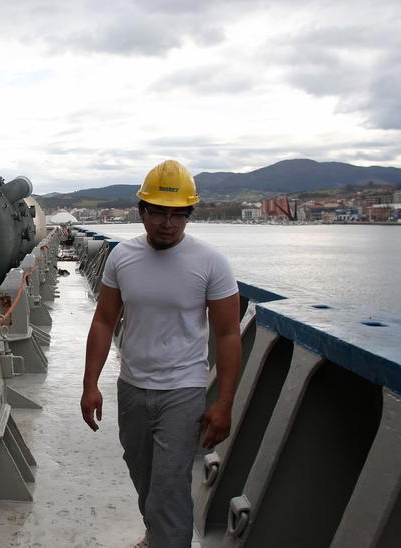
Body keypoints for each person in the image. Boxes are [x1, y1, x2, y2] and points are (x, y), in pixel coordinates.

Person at [80, 159, 242, 548]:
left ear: (189, 214)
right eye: (158, 213)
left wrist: (224, 402)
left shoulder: (211, 263)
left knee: (168, 488)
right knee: (143, 477)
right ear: (142, 211)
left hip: (183, 392)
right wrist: (90, 385)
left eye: (178, 215)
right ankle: (157, 535)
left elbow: (228, 334)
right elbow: (104, 320)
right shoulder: (122, 258)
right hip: (132, 387)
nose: (168, 223)